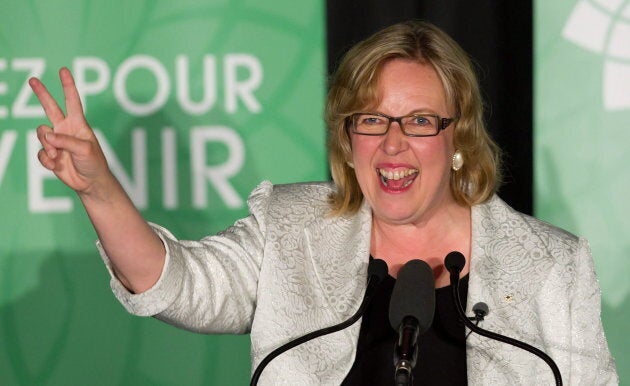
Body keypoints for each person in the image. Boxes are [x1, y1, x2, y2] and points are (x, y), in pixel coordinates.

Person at [30, 20, 617, 385]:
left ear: (457, 137)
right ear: (347, 136)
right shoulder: (289, 229)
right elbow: (176, 283)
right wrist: (98, 188)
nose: (392, 143)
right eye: (371, 119)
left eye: (418, 120)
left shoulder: (551, 267)